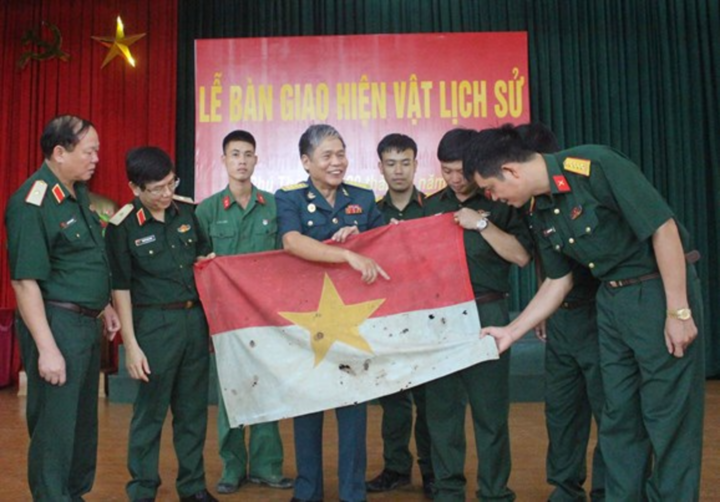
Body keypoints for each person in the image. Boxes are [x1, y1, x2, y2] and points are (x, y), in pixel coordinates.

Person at [464, 124, 705, 501]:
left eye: (492, 189)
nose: (494, 199)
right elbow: (558, 282)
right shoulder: (540, 210)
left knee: (667, 415)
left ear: (511, 170)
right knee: (618, 416)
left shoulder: (595, 165)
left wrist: (678, 310)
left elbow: (663, 229)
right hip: (610, 303)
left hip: (657, 290)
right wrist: (512, 331)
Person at [5, 114, 121, 501]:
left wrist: (103, 305)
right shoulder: (32, 201)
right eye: (89, 151)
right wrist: (47, 348)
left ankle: (74, 494)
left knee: (82, 426)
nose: (96, 159)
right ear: (59, 152)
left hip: (85, 325)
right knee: (56, 428)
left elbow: (82, 260)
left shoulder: (75, 193)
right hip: (57, 326)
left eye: (97, 151)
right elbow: (24, 282)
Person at [275, 124, 388, 502]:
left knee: (354, 410)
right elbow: (292, 242)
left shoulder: (363, 198)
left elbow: (384, 249)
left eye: (341, 153)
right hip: (309, 321)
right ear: (307, 162)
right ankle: (307, 491)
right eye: (327, 155)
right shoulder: (288, 198)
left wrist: (361, 238)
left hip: (354, 319)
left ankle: (353, 492)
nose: (337, 162)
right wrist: (345, 253)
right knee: (307, 406)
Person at [423, 128, 532, 502]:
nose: (454, 179)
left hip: (489, 311)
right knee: (442, 413)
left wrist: (481, 223)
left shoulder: (500, 202)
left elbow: (521, 256)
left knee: (491, 413)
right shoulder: (430, 205)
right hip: (440, 317)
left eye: (460, 171)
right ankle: (448, 490)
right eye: (446, 170)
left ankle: (495, 491)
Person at [105, 147, 218, 502]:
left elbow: (202, 254)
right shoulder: (122, 227)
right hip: (154, 324)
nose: (166, 195)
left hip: (193, 320)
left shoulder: (188, 211)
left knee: (192, 412)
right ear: (135, 188)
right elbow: (119, 287)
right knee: (150, 413)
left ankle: (193, 487)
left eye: (171, 184)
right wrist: (131, 344)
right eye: (157, 189)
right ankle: (142, 489)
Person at [196, 130, 293, 494]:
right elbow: (198, 265)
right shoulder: (206, 210)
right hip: (225, 321)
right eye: (234, 154)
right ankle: (232, 468)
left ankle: (267, 467)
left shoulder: (272, 206)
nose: (241, 160)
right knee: (230, 397)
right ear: (223, 160)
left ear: (256, 160)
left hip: (266, 317)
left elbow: (287, 259)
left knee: (267, 392)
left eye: (247, 154)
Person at [517, 123, 605, 501]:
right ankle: (566, 488)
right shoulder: (530, 204)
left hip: (599, 315)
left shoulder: (580, 187)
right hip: (562, 319)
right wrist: (544, 310)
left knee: (610, 410)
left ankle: (608, 488)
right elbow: (547, 263)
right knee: (562, 411)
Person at [366, 133, 435, 498]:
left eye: (405, 162)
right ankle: (396, 468)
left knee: (429, 401)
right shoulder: (372, 214)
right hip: (388, 320)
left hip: (427, 318)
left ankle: (432, 470)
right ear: (380, 167)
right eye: (390, 163)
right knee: (393, 400)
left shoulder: (433, 209)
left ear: (415, 163)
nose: (398, 171)